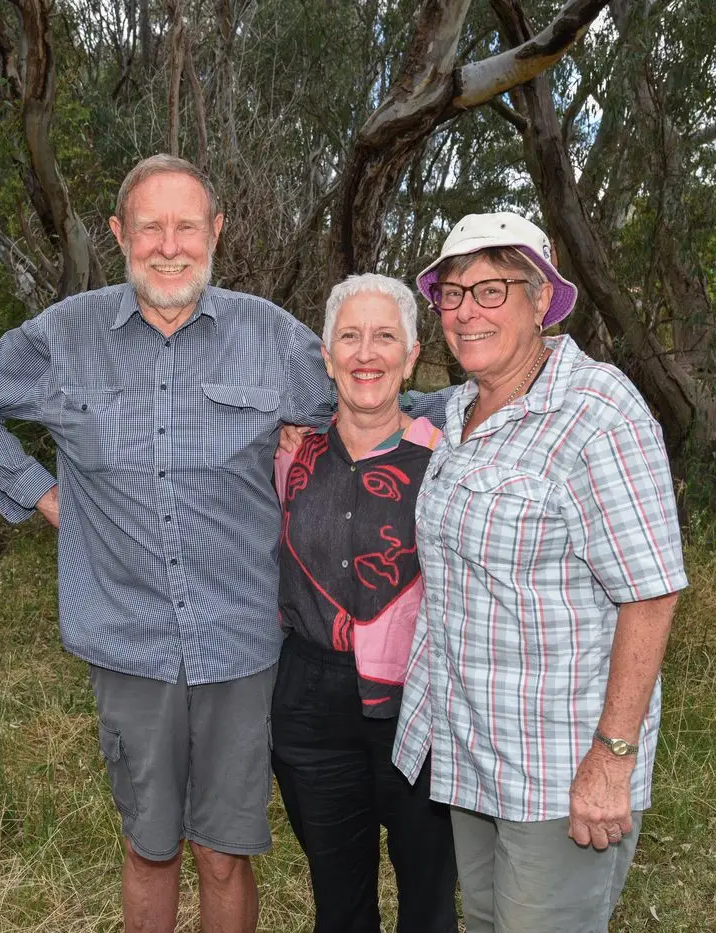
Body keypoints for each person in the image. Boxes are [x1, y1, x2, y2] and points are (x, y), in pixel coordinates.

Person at [0, 154, 450, 933]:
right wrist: (43, 495)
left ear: (216, 231)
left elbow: (366, 395)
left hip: (241, 647)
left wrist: (486, 400)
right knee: (150, 847)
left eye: (186, 225)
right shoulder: (65, 337)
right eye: (149, 227)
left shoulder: (269, 336)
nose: (168, 245)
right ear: (118, 235)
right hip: (127, 642)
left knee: (222, 851)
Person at [389, 212, 688, 933]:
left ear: (538, 299)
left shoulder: (597, 412)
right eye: (451, 294)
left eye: (489, 289)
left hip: (560, 765)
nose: (465, 311)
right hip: (473, 748)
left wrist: (611, 759)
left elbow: (650, 592)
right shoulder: (462, 406)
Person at [271, 274, 458, 933]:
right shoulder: (290, 454)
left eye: (385, 337)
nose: (365, 352)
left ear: (411, 356)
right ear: (326, 355)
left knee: (429, 907)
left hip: (422, 701)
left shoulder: (449, 457)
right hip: (310, 702)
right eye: (349, 336)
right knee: (340, 907)